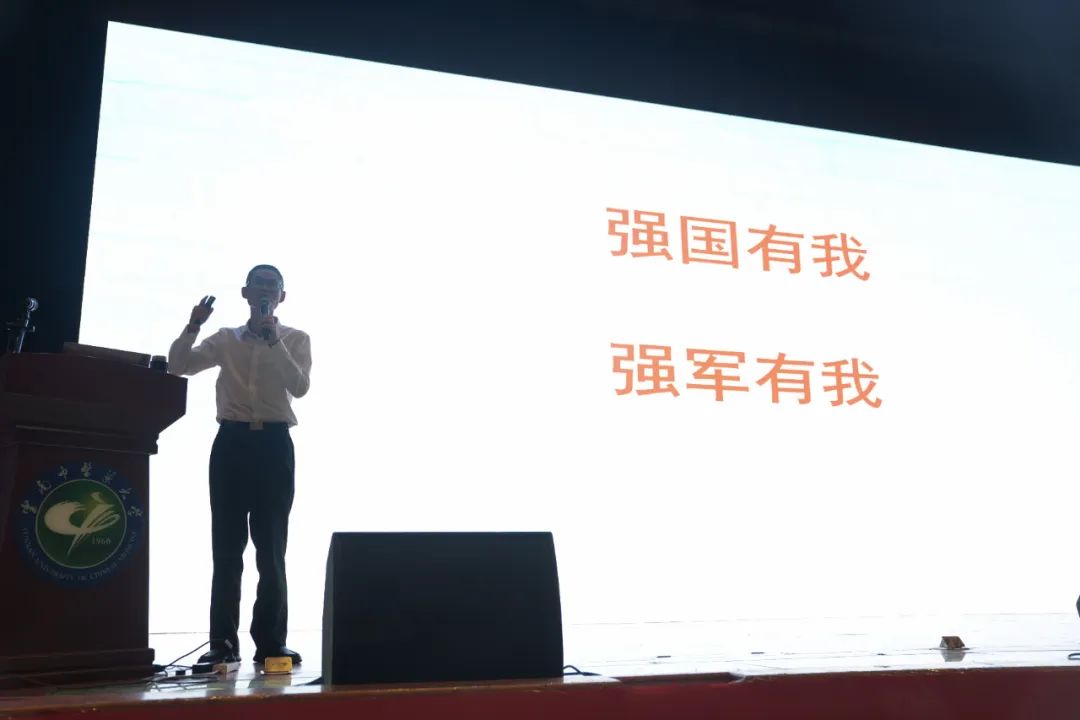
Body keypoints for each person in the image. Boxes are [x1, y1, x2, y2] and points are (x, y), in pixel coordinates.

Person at [168, 265, 311, 665]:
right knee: (227, 549)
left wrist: (273, 340)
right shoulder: (225, 339)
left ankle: (271, 643)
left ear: (282, 296)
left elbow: (300, 387)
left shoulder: (296, 339)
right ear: (246, 293)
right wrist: (193, 325)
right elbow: (179, 364)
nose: (265, 290)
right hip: (231, 444)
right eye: (258, 284)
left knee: (271, 548)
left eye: (273, 285)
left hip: (274, 445)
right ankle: (223, 645)